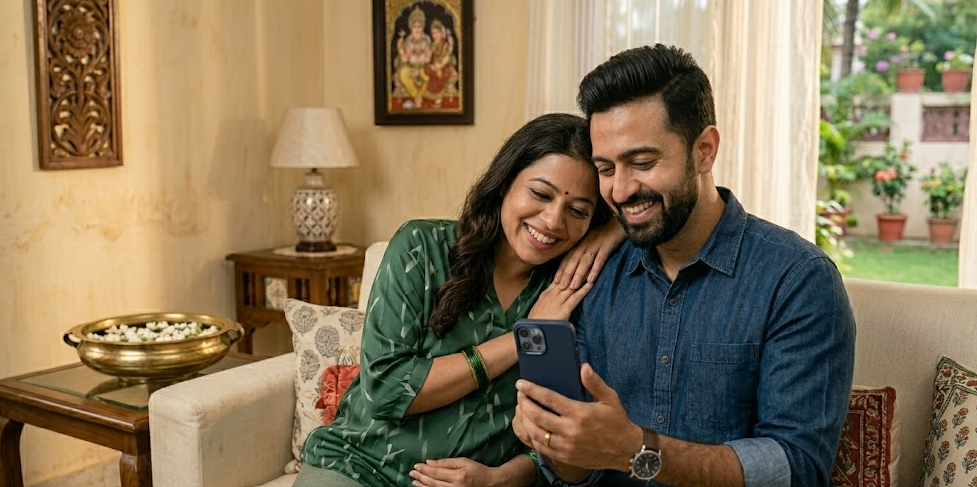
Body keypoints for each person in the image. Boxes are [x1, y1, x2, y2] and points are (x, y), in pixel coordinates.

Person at [512, 44, 856, 487]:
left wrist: (636, 450)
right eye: (606, 169)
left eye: (642, 163)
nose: (620, 191)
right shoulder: (592, 274)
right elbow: (576, 472)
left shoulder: (797, 279)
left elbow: (798, 467)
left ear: (704, 151)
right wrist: (556, 440)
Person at [292, 113, 622, 487]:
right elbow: (385, 390)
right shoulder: (421, 249)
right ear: (505, 184)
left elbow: (567, 435)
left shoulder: (575, 289)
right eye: (540, 194)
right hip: (355, 468)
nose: (553, 221)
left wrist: (500, 479)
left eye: (578, 211)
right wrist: (525, 337)